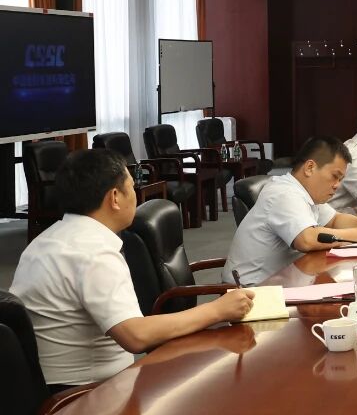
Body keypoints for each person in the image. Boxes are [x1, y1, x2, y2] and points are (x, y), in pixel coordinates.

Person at [11, 149, 255, 389]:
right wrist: (218, 310)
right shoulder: (93, 252)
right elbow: (136, 336)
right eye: (132, 187)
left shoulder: (45, 241)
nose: (136, 196)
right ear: (115, 197)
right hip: (87, 394)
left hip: (47, 386)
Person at [223, 137, 357, 286]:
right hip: (251, 291)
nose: (337, 185)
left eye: (341, 179)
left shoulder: (306, 192)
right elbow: (306, 239)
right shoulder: (283, 193)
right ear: (310, 167)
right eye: (335, 176)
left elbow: (334, 220)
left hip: (284, 279)